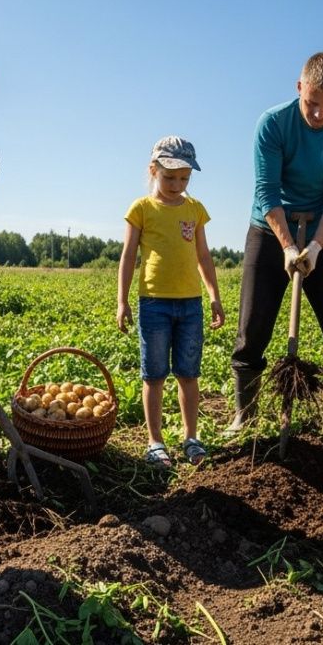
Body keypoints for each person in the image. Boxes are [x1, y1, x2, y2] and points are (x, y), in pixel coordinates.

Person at [228, 51, 323, 437]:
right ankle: (245, 418)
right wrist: (288, 247)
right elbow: (266, 191)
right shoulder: (273, 123)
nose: (319, 114)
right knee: (252, 330)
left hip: (320, 235)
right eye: (312, 103)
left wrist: (314, 246)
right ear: (299, 87)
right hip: (269, 229)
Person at [117, 137, 224, 468]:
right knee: (154, 375)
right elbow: (129, 256)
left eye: (184, 179)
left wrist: (215, 296)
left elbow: (203, 255)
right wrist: (122, 301)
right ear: (153, 170)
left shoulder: (195, 210)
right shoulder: (142, 209)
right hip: (154, 305)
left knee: (188, 373)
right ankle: (155, 442)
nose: (177, 185)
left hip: (191, 305)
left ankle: (191, 438)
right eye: (169, 177)